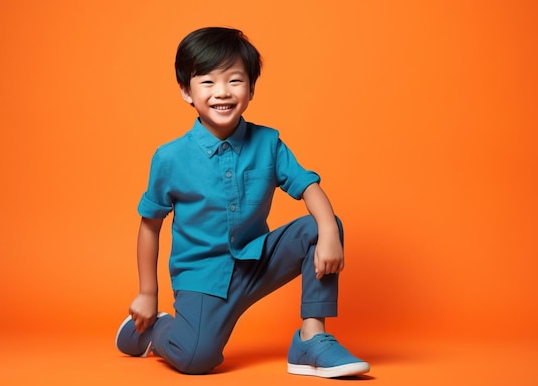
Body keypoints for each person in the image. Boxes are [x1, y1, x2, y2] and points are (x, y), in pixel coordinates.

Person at [115, 26, 369, 378]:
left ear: (251, 88)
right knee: (196, 359)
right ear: (186, 92)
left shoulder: (268, 142)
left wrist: (328, 231)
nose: (222, 92)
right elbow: (150, 225)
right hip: (203, 277)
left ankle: (312, 339)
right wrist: (147, 293)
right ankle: (157, 331)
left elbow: (307, 185)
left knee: (321, 226)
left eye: (234, 81)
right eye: (207, 82)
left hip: (256, 261)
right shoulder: (169, 158)